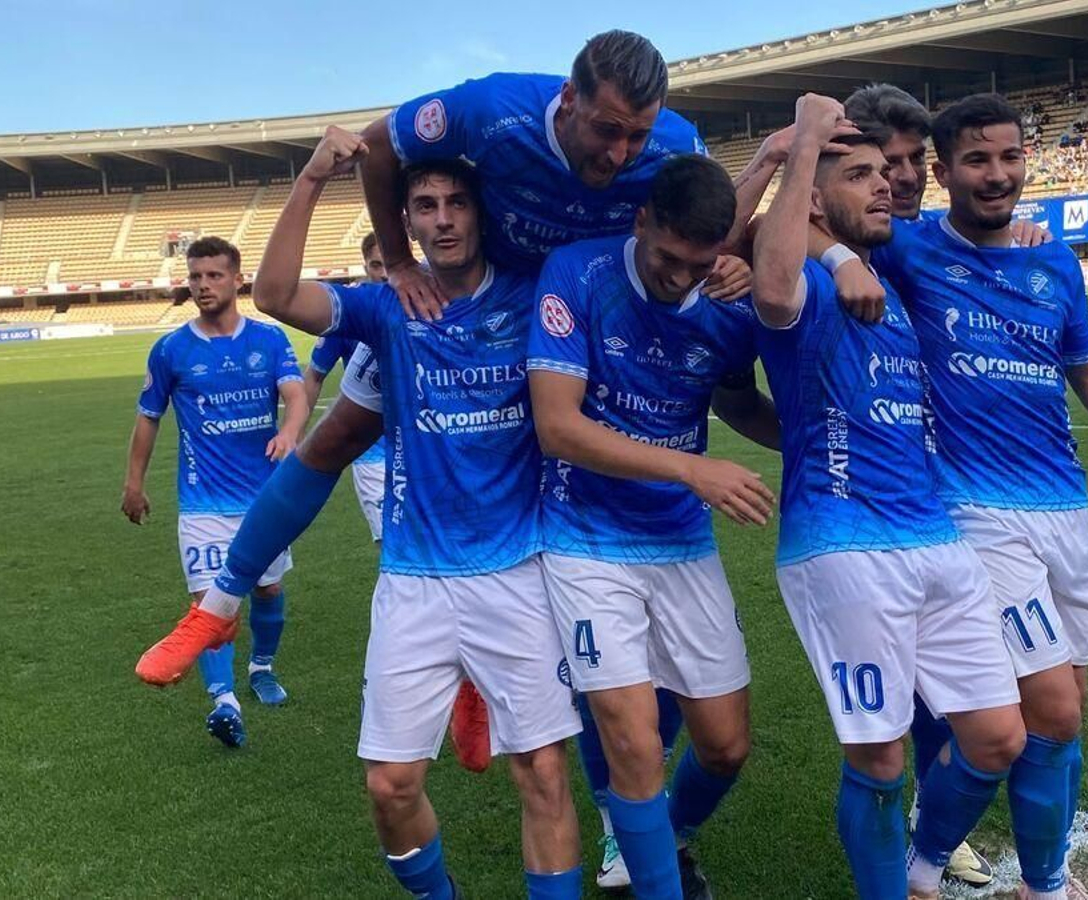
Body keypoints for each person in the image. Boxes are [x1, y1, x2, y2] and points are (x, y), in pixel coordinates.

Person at [134, 33, 745, 782]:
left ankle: (527, 722)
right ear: (569, 101)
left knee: (554, 502)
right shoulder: (489, 111)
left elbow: (701, 212)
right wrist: (396, 261)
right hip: (435, 314)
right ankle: (218, 603)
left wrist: (733, 254)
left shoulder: (677, 145)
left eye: (637, 136)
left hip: (550, 321)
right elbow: (378, 148)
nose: (621, 152)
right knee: (328, 445)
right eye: (606, 130)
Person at [825, 93, 1088, 900]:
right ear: (942, 173)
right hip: (976, 514)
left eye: (1009, 157)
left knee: (1065, 706)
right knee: (1052, 706)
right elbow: (793, 221)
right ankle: (977, 875)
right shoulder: (906, 250)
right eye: (976, 159)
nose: (996, 173)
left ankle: (995, 872)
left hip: (1064, 510)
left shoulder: (1054, 262)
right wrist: (838, 260)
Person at [253, 129, 584, 900]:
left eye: (457, 203)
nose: (443, 219)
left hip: (520, 572)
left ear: (480, 212)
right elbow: (272, 296)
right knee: (391, 786)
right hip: (415, 580)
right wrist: (310, 177)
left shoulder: (536, 290)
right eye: (425, 206)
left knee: (541, 771)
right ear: (405, 220)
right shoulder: (386, 308)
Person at [751, 94, 1028, 900]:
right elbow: (768, 287)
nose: (885, 187)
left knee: (997, 736)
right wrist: (802, 142)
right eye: (860, 175)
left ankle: (922, 867)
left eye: (887, 172)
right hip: (844, 546)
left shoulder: (888, 282)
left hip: (935, 539)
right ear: (812, 197)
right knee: (878, 757)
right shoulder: (802, 278)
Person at [530, 153, 779, 899]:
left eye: (700, 264)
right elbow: (557, 428)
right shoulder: (576, 275)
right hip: (585, 540)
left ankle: (661, 837)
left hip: (680, 542)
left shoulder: (726, 303)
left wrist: (811, 440)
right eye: (669, 258)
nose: (681, 277)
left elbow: (734, 400)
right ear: (642, 221)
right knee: (633, 743)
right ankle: (655, 879)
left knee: (727, 746)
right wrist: (693, 470)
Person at [123, 236, 309, 745]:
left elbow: (295, 395)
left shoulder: (269, 341)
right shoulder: (171, 350)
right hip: (203, 503)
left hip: (265, 500)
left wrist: (290, 431)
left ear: (236, 280)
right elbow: (148, 419)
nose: (203, 285)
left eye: (214, 276)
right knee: (210, 604)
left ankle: (261, 667)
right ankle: (224, 702)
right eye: (196, 277)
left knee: (269, 589)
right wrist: (133, 483)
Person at [302, 232, 389, 541]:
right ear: (365, 266)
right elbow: (314, 377)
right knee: (391, 543)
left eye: (388, 263)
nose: (384, 273)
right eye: (376, 265)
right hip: (371, 450)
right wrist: (295, 435)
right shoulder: (350, 313)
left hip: (420, 442)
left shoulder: (423, 299)